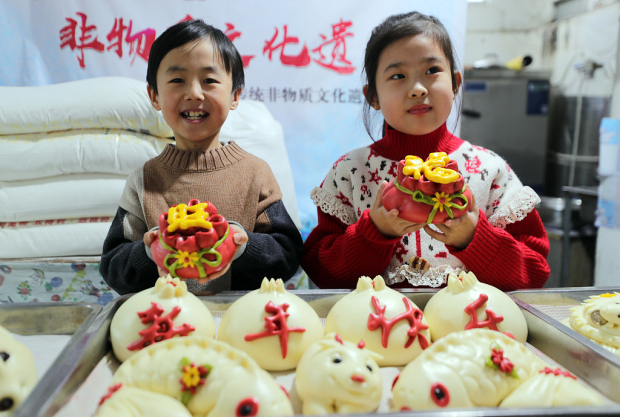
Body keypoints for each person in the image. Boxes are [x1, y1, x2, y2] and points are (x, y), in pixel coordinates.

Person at [301, 12, 550, 292]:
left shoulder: (489, 171)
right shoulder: (351, 172)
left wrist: (474, 237)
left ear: (455, 83)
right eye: (397, 75)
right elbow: (322, 273)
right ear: (373, 97)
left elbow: (533, 272)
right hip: (376, 331)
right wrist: (374, 232)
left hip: (470, 332)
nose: (418, 89)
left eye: (432, 71)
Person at [100, 19, 303, 294]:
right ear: (154, 95)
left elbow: (288, 255)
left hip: (241, 323)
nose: (194, 93)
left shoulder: (255, 173)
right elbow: (113, 266)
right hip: (165, 323)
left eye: (209, 80)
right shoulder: (144, 180)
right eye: (177, 80)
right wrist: (150, 251)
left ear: (235, 95)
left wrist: (242, 245)